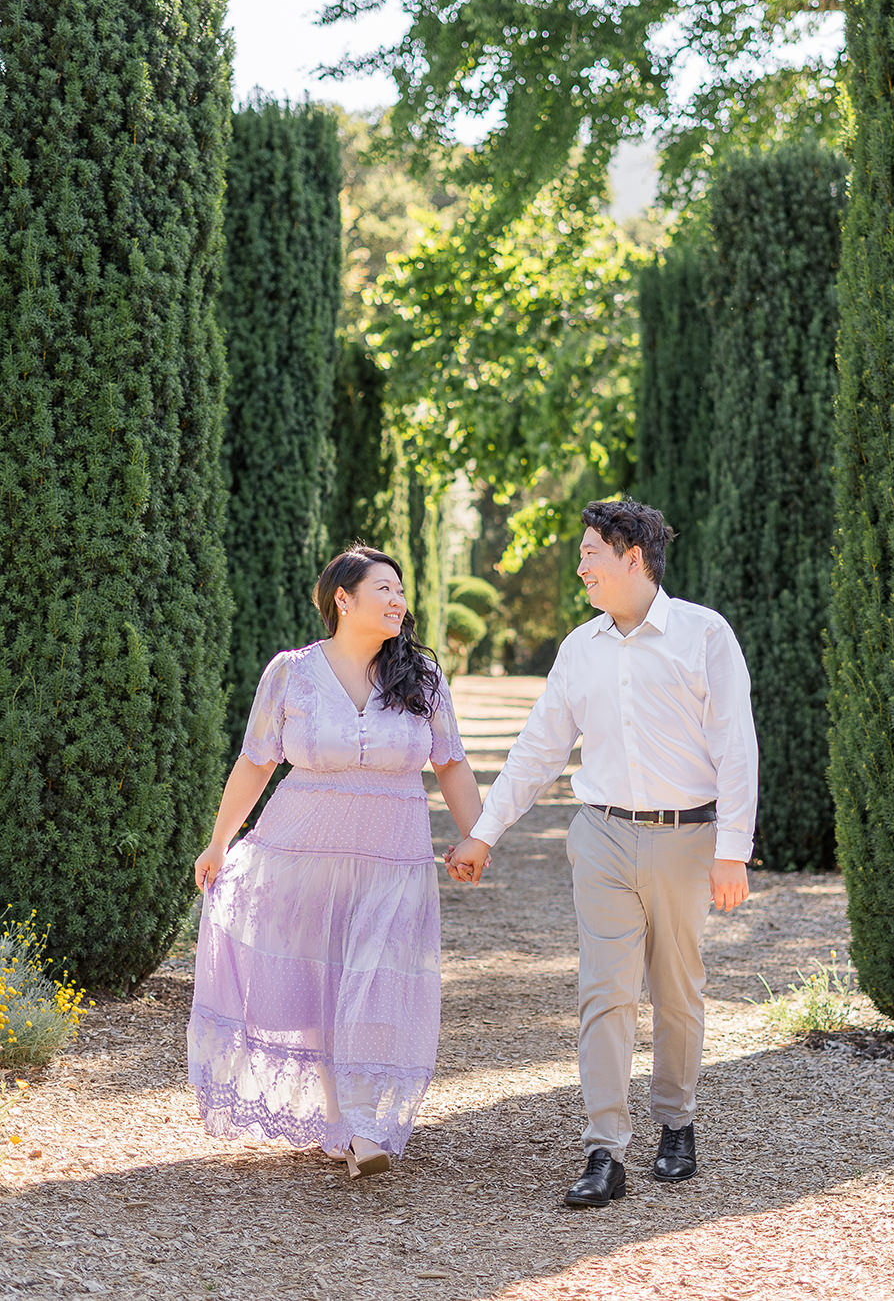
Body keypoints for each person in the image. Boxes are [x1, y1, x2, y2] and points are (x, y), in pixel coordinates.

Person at [447, 498, 757, 1207]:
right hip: (603, 835)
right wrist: (484, 831)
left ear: (633, 558)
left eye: (591, 552)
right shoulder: (579, 648)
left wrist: (732, 849)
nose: (581, 566)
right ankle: (603, 1150)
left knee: (678, 990)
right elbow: (538, 749)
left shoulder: (704, 635)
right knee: (604, 993)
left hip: (688, 836)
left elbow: (735, 744)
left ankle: (676, 1123)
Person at [187, 546, 482, 1178]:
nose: (399, 601)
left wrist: (475, 837)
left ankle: (367, 1122)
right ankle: (340, 1123)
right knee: (321, 986)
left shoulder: (422, 679)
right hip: (301, 854)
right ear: (342, 599)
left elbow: (451, 763)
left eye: (402, 590)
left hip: (392, 857)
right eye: (384, 588)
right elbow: (256, 761)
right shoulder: (291, 674)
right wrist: (220, 841)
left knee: (375, 980)